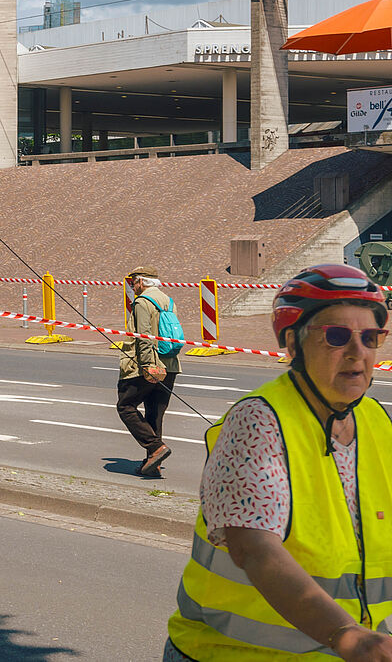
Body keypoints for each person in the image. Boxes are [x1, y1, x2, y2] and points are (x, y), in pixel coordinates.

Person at [165, 263, 392, 662]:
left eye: (371, 337)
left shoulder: (376, 420)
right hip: (231, 653)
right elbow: (255, 549)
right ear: (292, 344)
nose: (358, 352)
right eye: (337, 336)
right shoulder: (258, 421)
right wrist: (347, 635)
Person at [117, 266, 181, 477]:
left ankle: (155, 448)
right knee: (155, 413)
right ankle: (154, 464)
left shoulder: (142, 302)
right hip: (170, 364)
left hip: (149, 365)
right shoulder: (168, 301)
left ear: (141, 282)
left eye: (133, 282)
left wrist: (147, 367)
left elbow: (144, 336)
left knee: (126, 406)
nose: (132, 286)